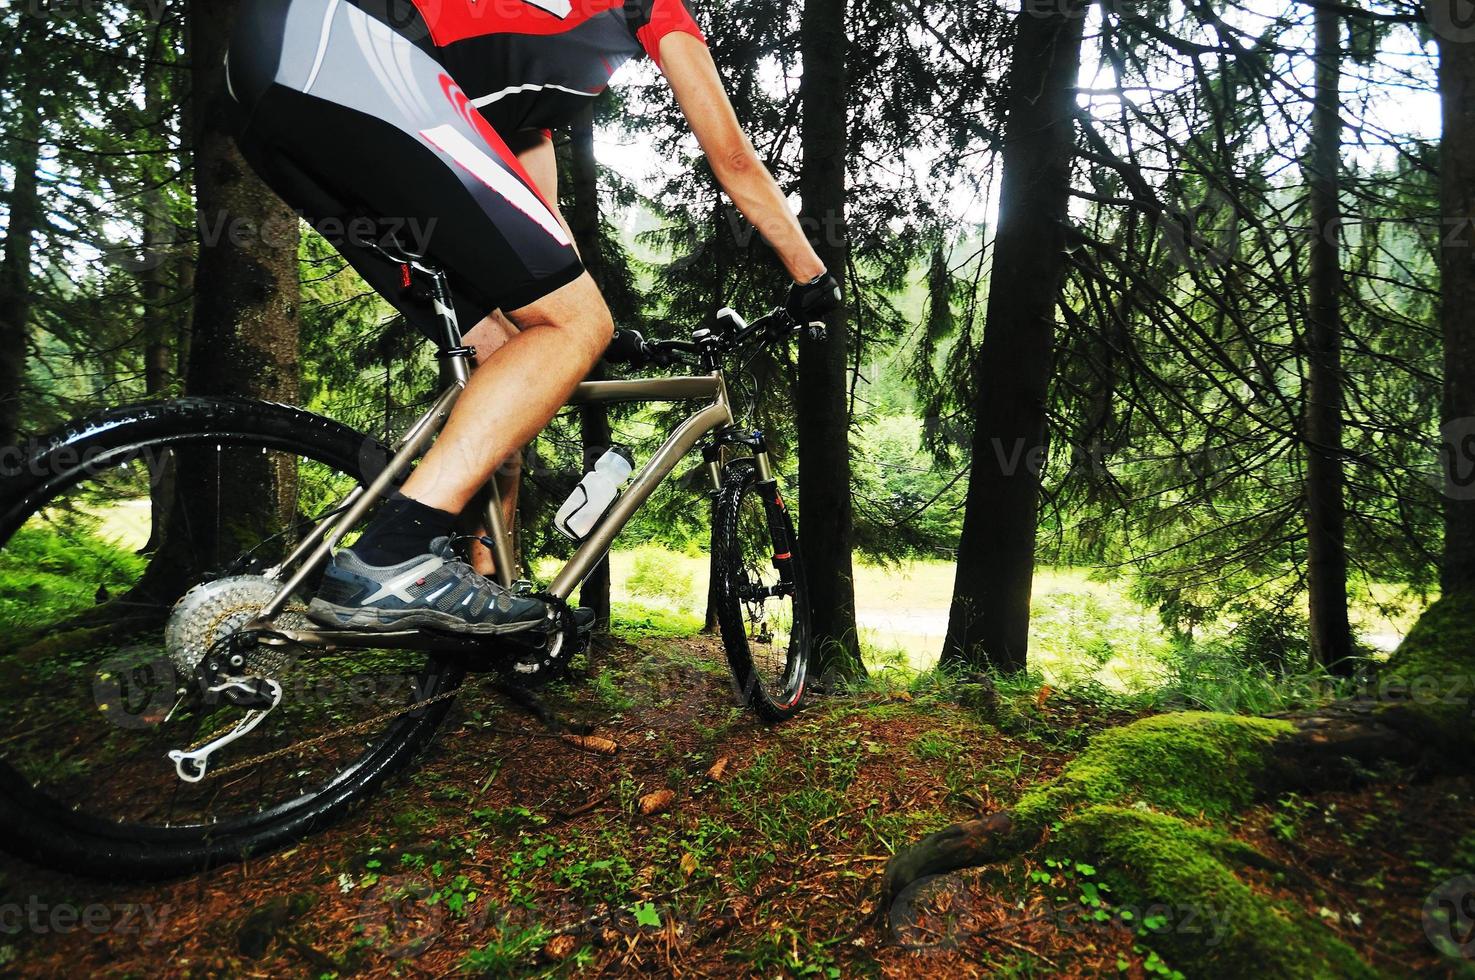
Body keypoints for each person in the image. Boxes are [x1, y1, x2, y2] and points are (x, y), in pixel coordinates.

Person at [225, 0, 840, 635]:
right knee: (575, 325)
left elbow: (536, 235)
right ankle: (393, 553)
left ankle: (486, 586)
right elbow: (734, 159)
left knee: (507, 356)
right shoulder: (656, 7)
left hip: (269, 83)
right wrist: (811, 278)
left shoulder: (522, 101)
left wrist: (582, 328)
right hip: (346, 52)